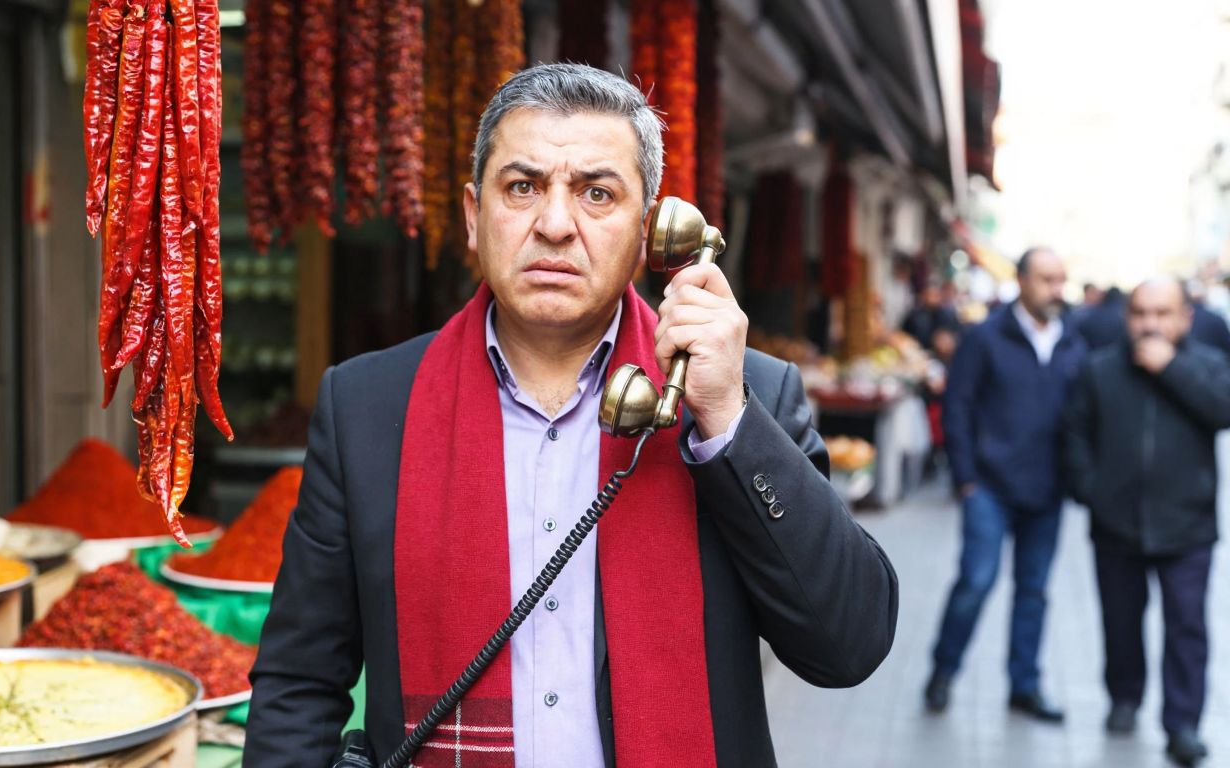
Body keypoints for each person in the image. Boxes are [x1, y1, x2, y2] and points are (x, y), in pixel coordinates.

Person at [243, 64, 899, 768]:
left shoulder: (748, 399)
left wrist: (727, 420)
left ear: (650, 232)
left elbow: (849, 645)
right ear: (472, 215)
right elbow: (299, 682)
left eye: (596, 193)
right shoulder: (368, 408)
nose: (555, 225)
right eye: (522, 187)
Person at [1063, 278, 1230, 767]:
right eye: (1140, 313)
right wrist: (1090, 491)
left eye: (1163, 313)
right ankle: (1124, 696)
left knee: (1186, 628)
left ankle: (1182, 724)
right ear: (1126, 317)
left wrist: (1171, 368)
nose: (1150, 323)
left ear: (1185, 318)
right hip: (1116, 524)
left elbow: (1223, 412)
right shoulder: (1099, 369)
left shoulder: (1208, 365)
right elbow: (1074, 433)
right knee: (1120, 621)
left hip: (1187, 525)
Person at [924, 247, 1086, 721]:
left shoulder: (1073, 340)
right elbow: (958, 407)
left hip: (1047, 490)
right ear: (1021, 281)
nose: (1056, 289)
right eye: (1046, 279)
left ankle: (1025, 685)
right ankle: (943, 671)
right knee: (976, 581)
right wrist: (966, 480)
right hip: (989, 488)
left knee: (1034, 591)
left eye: (1061, 279)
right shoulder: (985, 337)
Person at [901, 281, 962, 351]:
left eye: (936, 295)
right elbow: (903, 335)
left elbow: (956, 333)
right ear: (923, 296)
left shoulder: (948, 315)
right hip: (919, 351)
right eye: (930, 295)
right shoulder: (915, 316)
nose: (933, 299)